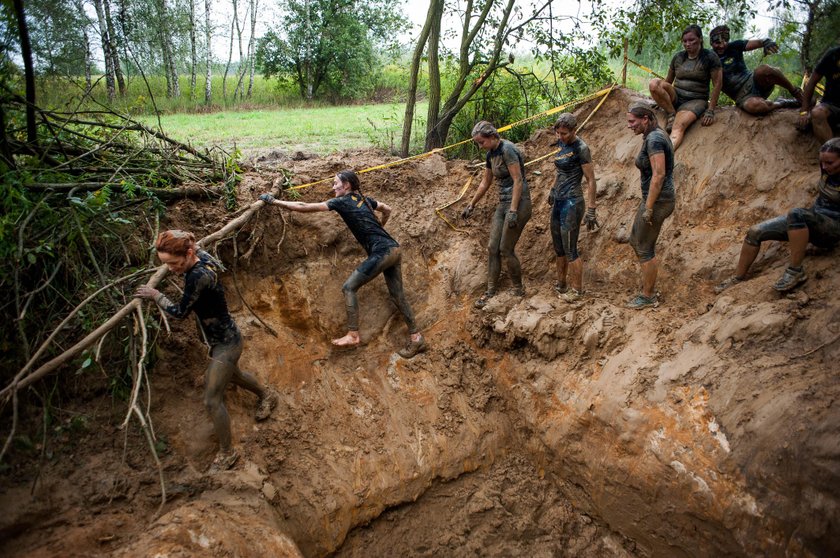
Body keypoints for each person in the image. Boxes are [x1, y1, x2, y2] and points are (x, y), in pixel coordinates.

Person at [135, 230, 278, 472]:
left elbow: (180, 312)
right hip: (223, 339)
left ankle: (227, 454)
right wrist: (184, 244)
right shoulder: (203, 258)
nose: (170, 269)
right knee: (236, 376)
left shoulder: (197, 276)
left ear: (188, 254)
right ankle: (267, 395)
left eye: (173, 263)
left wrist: (156, 294)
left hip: (227, 344)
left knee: (212, 399)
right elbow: (195, 246)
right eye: (165, 264)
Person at [259, 170, 425, 358]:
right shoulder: (365, 200)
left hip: (382, 252)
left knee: (348, 287)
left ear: (346, 185)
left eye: (336, 183)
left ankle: (353, 334)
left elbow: (304, 206)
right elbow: (387, 209)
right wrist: (381, 227)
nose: (333, 187)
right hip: (394, 249)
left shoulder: (342, 202)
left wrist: (274, 202)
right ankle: (417, 338)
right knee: (397, 296)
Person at [715, 138, 840, 294]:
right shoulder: (827, 170)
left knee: (796, 213)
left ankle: (796, 271)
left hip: (833, 227)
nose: (824, 167)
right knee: (755, 232)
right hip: (816, 217)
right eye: (822, 162)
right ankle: (737, 278)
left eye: (830, 163)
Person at [461, 121, 532, 308]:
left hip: (519, 202)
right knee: (492, 248)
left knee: (505, 249)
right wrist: (471, 204)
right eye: (478, 143)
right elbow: (485, 182)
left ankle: (518, 289)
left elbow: (518, 180)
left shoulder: (507, 150)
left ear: (493, 137)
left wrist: (514, 211)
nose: (480, 146)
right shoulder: (490, 154)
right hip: (503, 203)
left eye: (481, 142)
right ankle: (491, 290)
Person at [625, 103, 676, 309]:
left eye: (632, 121)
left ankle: (648, 296)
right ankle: (648, 284)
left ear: (645, 119)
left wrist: (648, 207)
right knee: (636, 240)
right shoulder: (653, 136)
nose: (629, 126)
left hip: (658, 201)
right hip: (654, 199)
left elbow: (659, 174)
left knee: (644, 247)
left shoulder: (654, 139)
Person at [548, 113, 599, 302]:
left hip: (573, 201)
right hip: (559, 200)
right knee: (558, 247)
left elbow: (591, 179)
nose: (561, 137)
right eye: (558, 133)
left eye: (565, 133)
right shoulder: (561, 144)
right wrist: (552, 189)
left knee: (570, 249)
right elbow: (559, 171)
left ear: (574, 130)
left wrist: (592, 208)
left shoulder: (581, 148)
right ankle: (561, 283)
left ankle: (577, 290)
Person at [649, 24, 723, 151]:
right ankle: (671, 113)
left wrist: (710, 110)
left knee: (677, 127)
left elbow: (718, 84)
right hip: (677, 95)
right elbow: (667, 82)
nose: (688, 44)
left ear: (700, 39)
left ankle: (665, 156)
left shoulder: (710, 57)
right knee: (654, 83)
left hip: (695, 100)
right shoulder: (678, 57)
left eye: (691, 40)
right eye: (685, 41)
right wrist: (661, 100)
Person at [710, 25, 803, 114]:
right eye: (717, 43)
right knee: (755, 106)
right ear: (711, 42)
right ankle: (782, 103)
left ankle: (796, 92)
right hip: (743, 97)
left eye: (725, 41)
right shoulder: (708, 59)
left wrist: (767, 42)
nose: (722, 45)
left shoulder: (735, 46)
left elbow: (760, 42)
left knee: (764, 70)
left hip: (755, 82)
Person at [799, 45, 840, 144]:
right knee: (817, 113)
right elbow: (812, 82)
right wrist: (804, 112)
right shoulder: (832, 55)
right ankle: (833, 152)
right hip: (832, 105)